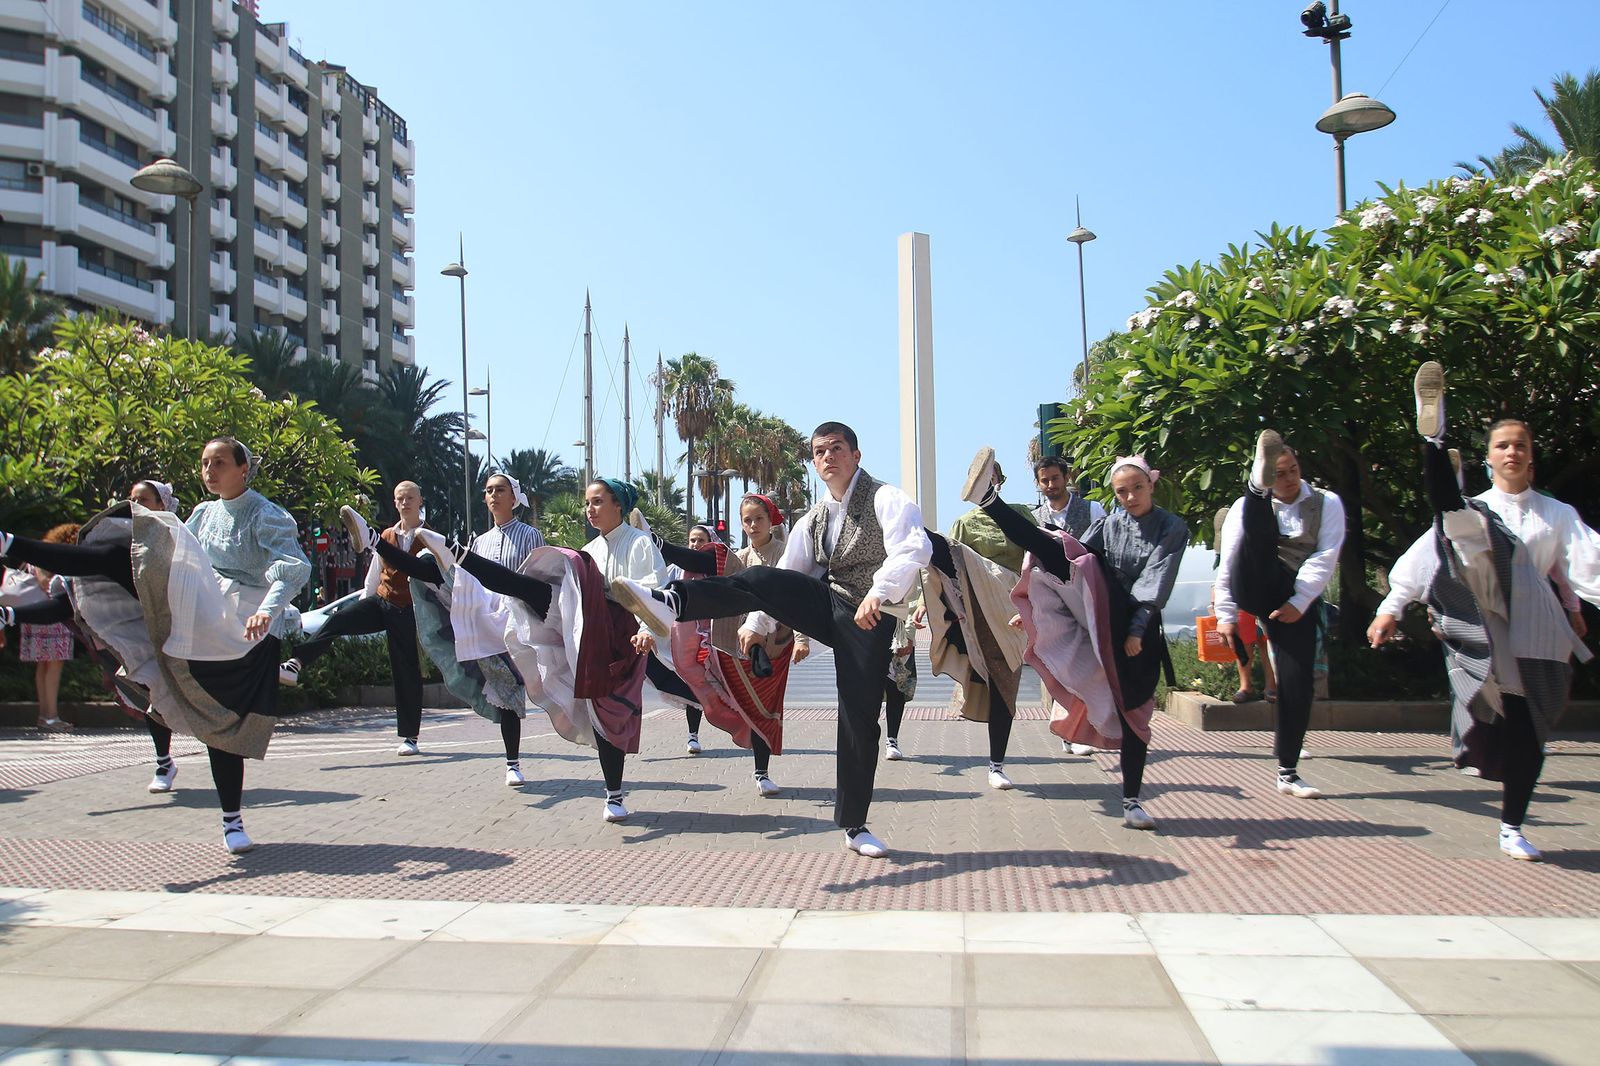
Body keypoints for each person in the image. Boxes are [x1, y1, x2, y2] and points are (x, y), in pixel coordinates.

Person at [614, 422, 932, 859]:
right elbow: (792, 573)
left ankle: (855, 825)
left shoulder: (886, 498)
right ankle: (671, 600)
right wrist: (757, 624)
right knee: (763, 575)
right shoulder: (814, 517)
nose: (827, 458)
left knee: (858, 718)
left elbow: (912, 549)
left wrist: (879, 592)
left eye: (836, 449)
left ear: (856, 455)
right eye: (819, 452)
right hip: (830, 602)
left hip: (871, 616)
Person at [1, 439, 310, 854]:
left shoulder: (268, 514)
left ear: (244, 468)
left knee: (225, 727)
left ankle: (232, 821)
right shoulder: (201, 513)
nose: (209, 470)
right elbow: (187, 560)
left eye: (219, 462)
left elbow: (292, 568)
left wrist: (268, 611)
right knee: (117, 555)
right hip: (202, 604)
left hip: (244, 621)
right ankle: (10, 545)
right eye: (204, 463)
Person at [1369, 362, 1598, 861]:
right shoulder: (1481, 506)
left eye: (1521, 446)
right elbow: (1421, 558)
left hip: (1535, 629)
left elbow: (1586, 566)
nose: (1512, 451)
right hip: (1485, 613)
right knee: (1458, 522)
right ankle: (1433, 437)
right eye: (1503, 445)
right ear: (1490, 459)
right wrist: (1391, 608)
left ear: (1531, 460)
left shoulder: (1558, 515)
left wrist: (1575, 606)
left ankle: (1511, 824)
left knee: (1529, 730)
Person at [365, 477, 665, 822]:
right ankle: (427, 548)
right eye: (587, 503)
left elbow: (653, 591)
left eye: (597, 502)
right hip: (586, 631)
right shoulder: (592, 549)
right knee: (592, 706)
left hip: (623, 639)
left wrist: (646, 630)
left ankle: (614, 791)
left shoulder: (639, 543)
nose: (590, 510)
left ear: (618, 505)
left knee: (612, 713)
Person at [960, 447, 1187, 830]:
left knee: (1135, 712)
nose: (1130, 498)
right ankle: (988, 500)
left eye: (1137, 488)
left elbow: (1156, 580)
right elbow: (1080, 557)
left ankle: (1132, 801)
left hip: (1136, 627)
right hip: (1098, 608)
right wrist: (1031, 610)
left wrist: (1135, 630)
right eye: (1121, 492)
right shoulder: (1111, 524)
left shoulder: (1171, 527)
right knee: (1052, 546)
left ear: (1152, 483)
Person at [346, 471, 542, 786]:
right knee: (428, 566)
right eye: (488, 490)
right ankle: (375, 542)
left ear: (513, 498)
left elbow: (536, 578)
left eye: (499, 490)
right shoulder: (479, 541)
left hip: (515, 621)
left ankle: (513, 762)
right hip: (484, 617)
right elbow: (471, 582)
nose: (493, 495)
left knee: (513, 690)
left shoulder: (529, 535)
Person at [1212, 432, 1345, 800]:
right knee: (1257, 533)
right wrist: (1225, 614)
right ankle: (1256, 488)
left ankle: (1288, 772)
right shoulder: (1243, 510)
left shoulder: (1326, 503)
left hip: (1293, 595)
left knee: (1296, 682)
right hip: (1252, 579)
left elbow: (1326, 556)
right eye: (1277, 472)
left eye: (1292, 471)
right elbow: (1230, 560)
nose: (1287, 479)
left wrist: (1299, 601)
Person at [654, 497, 812, 795]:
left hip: (777, 646)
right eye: (747, 520)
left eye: (758, 519)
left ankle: (763, 770)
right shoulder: (739, 557)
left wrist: (802, 640)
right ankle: (760, 773)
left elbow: (798, 599)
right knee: (748, 706)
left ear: (771, 520)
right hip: (743, 644)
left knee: (767, 707)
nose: (753, 526)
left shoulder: (786, 555)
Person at [280, 481, 429, 758]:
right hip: (382, 600)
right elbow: (375, 572)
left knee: (405, 670)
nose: (405, 502)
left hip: (409, 609)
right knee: (339, 620)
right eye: (400, 498)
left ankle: (410, 736)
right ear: (394, 503)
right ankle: (296, 662)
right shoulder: (385, 535)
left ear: (420, 500)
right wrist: (365, 605)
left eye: (410, 497)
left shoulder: (430, 537)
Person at [928, 460, 1033, 789]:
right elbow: (949, 567)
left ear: (1000, 481)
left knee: (1009, 682)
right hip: (981, 610)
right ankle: (996, 765)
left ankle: (998, 761)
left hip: (1016, 607)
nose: (990, 482)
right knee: (998, 680)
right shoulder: (964, 523)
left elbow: (1037, 556)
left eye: (992, 478)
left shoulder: (1020, 514)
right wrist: (921, 605)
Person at [2, 523, 78, 732]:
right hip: (53, 618)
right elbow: (48, 585)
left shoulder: (34, 558)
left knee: (42, 666)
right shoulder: (52, 560)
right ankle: (50, 717)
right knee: (54, 666)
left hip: (32, 616)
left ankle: (45, 715)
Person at [1032, 455, 1105, 537]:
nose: (1051, 485)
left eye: (1055, 478)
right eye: (1045, 481)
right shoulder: (1033, 519)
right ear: (1038, 483)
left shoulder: (1093, 509)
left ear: (1066, 478)